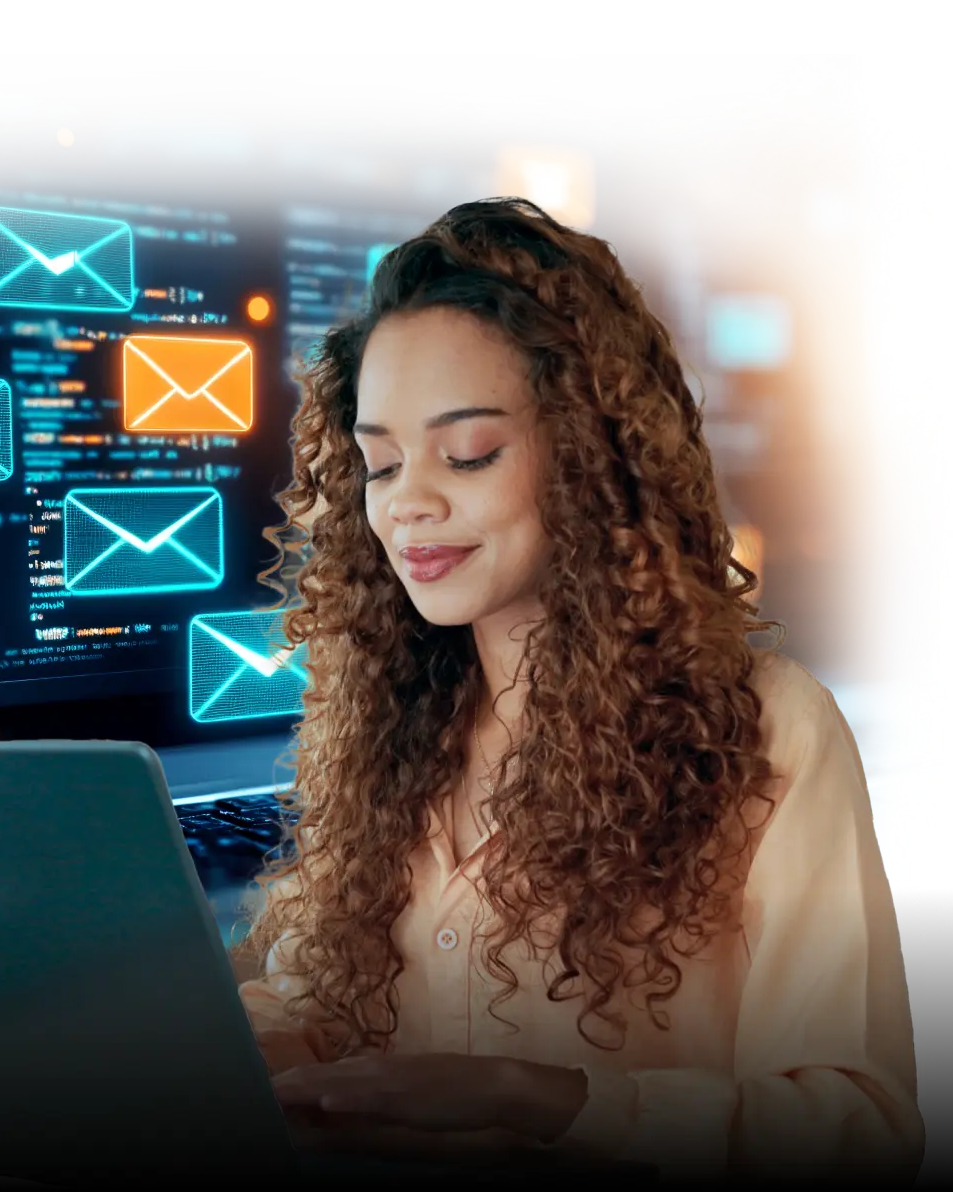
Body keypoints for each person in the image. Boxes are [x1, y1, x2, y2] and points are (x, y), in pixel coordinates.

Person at [237, 198, 924, 1181]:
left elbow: (859, 1130)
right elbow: (317, 1005)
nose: (407, 502)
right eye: (379, 463)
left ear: (589, 455)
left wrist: (539, 1101)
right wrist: (242, 1050)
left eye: (468, 453)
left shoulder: (767, 729)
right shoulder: (387, 736)